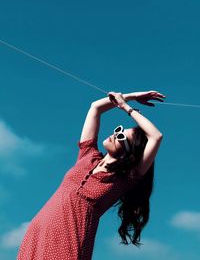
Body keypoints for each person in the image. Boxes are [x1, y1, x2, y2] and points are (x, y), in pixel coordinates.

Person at [17, 90, 165, 260]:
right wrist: (131, 96)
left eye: (121, 136)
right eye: (118, 130)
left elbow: (156, 136)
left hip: (71, 237)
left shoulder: (125, 177)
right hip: (40, 229)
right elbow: (95, 107)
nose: (115, 134)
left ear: (130, 153)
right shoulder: (88, 154)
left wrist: (126, 107)